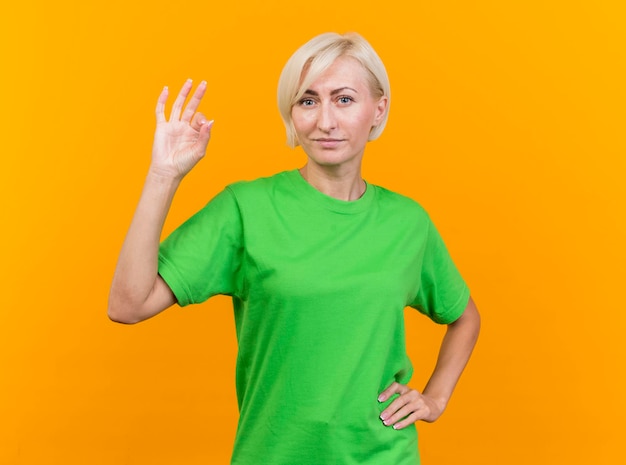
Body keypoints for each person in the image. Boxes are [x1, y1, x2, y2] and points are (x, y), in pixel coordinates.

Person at [108, 32, 480, 465]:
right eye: (307, 101)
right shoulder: (246, 208)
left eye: (343, 99)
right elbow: (128, 304)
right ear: (291, 112)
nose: (325, 121)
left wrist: (435, 398)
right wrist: (163, 175)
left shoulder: (407, 222)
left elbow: (464, 316)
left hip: (383, 455)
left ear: (377, 110)